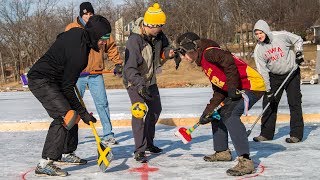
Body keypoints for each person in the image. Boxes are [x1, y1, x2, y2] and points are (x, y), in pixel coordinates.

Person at [27, 15, 111, 176]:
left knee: (75, 113)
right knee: (66, 115)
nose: (104, 42)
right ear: (94, 35)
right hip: (41, 79)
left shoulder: (78, 33)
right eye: (103, 38)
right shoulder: (79, 54)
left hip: (56, 79)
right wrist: (83, 112)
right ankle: (45, 163)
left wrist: (81, 112)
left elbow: (61, 36)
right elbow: (68, 87)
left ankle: (66, 153)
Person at [175, 32, 266, 176]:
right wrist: (207, 112)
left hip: (252, 85)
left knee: (230, 115)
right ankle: (222, 151)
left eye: (183, 52)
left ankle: (246, 161)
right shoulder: (204, 63)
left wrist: (232, 88)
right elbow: (218, 91)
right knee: (216, 114)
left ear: (192, 48)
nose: (182, 57)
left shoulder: (209, 53)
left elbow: (229, 61)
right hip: (237, 88)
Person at [122, 3, 175, 163]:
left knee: (155, 110)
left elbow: (165, 47)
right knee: (139, 112)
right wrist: (140, 86)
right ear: (150, 24)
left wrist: (169, 53)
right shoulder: (134, 40)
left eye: (161, 26)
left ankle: (149, 143)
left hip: (150, 80)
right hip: (135, 81)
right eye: (158, 26)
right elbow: (129, 68)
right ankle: (139, 149)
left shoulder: (158, 35)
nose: (160, 29)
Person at [65, 2, 123, 145]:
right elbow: (65, 49)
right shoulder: (72, 28)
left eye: (91, 14)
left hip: (96, 73)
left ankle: (108, 134)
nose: (88, 16)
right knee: (72, 106)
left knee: (102, 104)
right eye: (85, 14)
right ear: (80, 14)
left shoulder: (100, 27)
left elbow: (111, 46)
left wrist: (117, 63)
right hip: (78, 75)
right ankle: (67, 137)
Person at [253, 19, 304, 143]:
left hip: (292, 73)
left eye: (260, 32)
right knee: (269, 102)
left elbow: (298, 39)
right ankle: (266, 134)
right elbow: (262, 72)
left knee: (294, 102)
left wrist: (298, 53)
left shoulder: (280, 36)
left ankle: (296, 134)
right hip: (274, 76)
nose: (259, 36)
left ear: (265, 30)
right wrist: (268, 89)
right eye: (256, 34)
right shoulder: (259, 50)